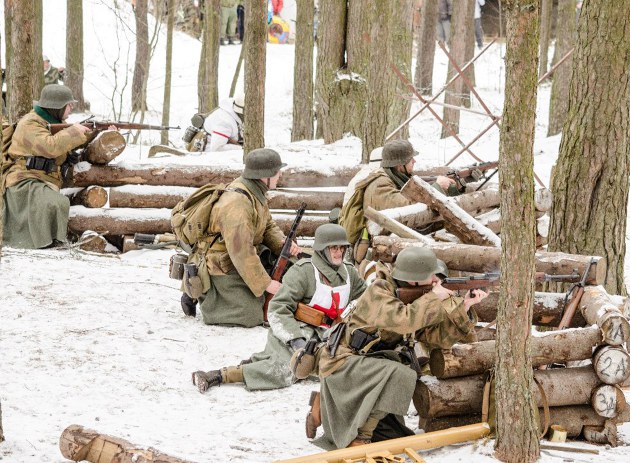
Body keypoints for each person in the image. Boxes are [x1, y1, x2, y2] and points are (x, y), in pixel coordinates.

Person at [308, 247, 487, 448]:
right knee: (402, 374)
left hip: (371, 365)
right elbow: (404, 321)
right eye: (431, 276)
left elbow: (435, 339)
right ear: (413, 280)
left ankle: (323, 407)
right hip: (344, 362)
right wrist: (433, 298)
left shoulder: (414, 299)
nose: (435, 281)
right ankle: (359, 438)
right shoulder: (379, 291)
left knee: (392, 437)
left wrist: (465, 306)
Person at [191, 224, 367, 393]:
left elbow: (366, 297)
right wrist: (296, 340)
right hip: (299, 331)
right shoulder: (303, 272)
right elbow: (277, 308)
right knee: (282, 371)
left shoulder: (349, 273)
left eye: (341, 248)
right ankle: (220, 375)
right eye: (333, 248)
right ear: (322, 249)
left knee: (343, 366)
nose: (339, 252)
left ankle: (256, 363)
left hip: (332, 334)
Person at [194, 148, 300, 327]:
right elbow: (241, 251)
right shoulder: (237, 203)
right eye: (276, 171)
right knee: (250, 316)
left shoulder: (255, 192)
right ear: (264, 175)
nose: (280, 174)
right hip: (222, 265)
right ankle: (200, 293)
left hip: (242, 259)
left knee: (294, 267)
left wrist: (282, 243)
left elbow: (267, 224)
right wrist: (266, 284)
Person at [1, 85, 92, 249]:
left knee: (56, 202)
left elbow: (68, 139)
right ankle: (48, 241)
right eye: (68, 105)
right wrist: (75, 131)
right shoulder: (30, 123)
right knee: (55, 203)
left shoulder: (54, 122)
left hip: (43, 180)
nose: (71, 107)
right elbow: (50, 146)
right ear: (57, 107)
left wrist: (99, 132)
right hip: (24, 180)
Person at [338, 139, 457, 263]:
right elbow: (410, 207)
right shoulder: (380, 185)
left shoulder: (395, 178)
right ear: (400, 165)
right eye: (410, 159)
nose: (414, 161)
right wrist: (437, 187)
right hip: (378, 256)